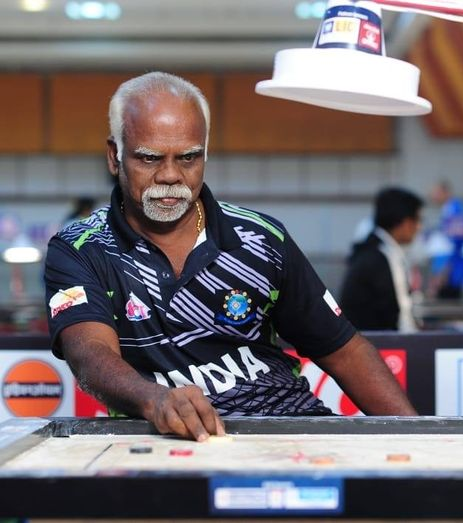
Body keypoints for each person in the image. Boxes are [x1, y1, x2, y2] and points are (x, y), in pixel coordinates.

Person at [44, 72, 416, 441]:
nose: (170, 175)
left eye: (189, 157)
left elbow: (344, 351)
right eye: (149, 158)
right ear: (115, 156)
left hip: (286, 429)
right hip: (164, 440)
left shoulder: (260, 238)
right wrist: (154, 401)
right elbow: (89, 354)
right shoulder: (80, 248)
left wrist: (423, 440)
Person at [340, 188, 423, 331]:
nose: (419, 227)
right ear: (403, 223)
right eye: (416, 220)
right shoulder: (385, 257)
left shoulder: (370, 250)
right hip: (379, 346)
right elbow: (401, 318)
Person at [429, 180, 463, 299]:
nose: (433, 196)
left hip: (452, 274)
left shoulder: (455, 212)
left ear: (446, 193)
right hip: (449, 273)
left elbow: (454, 247)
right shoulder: (447, 211)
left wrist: (443, 273)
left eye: (436, 192)